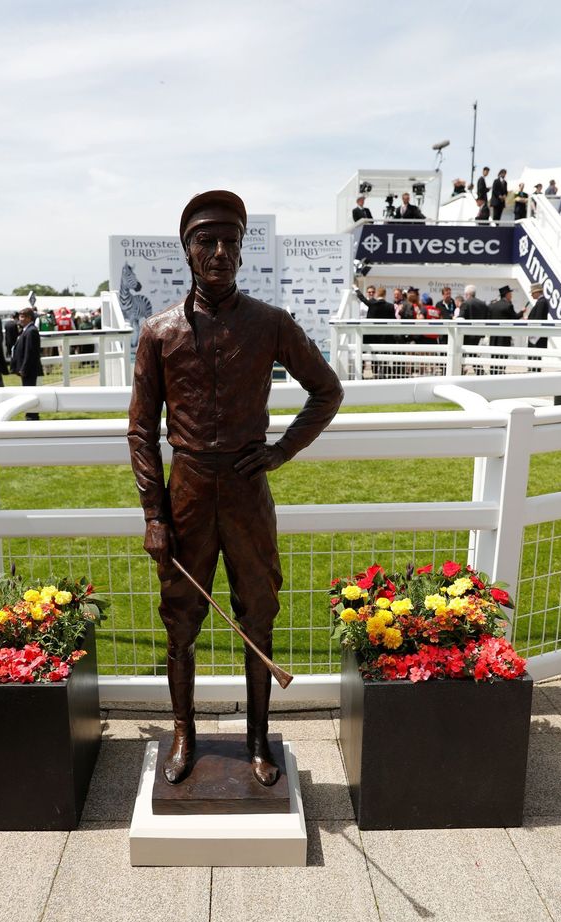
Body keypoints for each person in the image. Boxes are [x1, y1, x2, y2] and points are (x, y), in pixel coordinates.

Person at [128, 190, 343, 787]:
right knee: (181, 621)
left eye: (230, 242)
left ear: (242, 253)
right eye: (206, 241)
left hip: (248, 494)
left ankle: (257, 741)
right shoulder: (158, 331)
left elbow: (327, 390)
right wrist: (155, 513)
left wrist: (279, 452)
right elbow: (142, 429)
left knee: (258, 616)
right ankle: (183, 734)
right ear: (188, 250)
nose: (219, 252)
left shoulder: (270, 324)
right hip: (188, 491)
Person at [10, 307, 43, 418]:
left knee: (30, 392)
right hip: (26, 369)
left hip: (29, 370)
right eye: (20, 316)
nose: (21, 319)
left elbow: (30, 352)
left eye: (23, 317)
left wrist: (24, 368)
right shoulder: (26, 330)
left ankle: (32, 415)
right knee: (27, 391)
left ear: (29, 318)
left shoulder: (31, 331)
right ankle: (30, 414)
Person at [364, 287, 397, 378]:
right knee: (384, 354)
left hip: (373, 335)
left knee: (374, 355)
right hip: (385, 335)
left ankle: (375, 373)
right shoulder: (390, 306)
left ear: (377, 294)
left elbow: (362, 299)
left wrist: (356, 289)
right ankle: (384, 373)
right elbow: (393, 320)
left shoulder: (372, 304)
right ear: (385, 294)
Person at [488, 285, 520, 374]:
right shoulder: (508, 305)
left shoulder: (492, 305)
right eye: (510, 293)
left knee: (494, 356)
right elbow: (515, 318)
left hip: (494, 337)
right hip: (504, 337)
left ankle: (493, 372)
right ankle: (500, 373)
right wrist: (522, 312)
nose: (511, 296)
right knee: (503, 356)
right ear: (507, 294)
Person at [458, 285, 489, 374]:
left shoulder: (465, 303)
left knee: (462, 354)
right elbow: (487, 318)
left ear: (467, 294)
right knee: (472, 354)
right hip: (478, 334)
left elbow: (461, 317)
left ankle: (460, 372)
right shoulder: (482, 304)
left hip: (466, 334)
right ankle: (480, 373)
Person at [526, 283, 551, 372]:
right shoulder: (541, 302)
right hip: (537, 336)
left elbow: (538, 319)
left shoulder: (541, 302)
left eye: (532, 293)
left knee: (535, 359)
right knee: (535, 359)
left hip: (536, 338)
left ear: (537, 292)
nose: (532, 295)